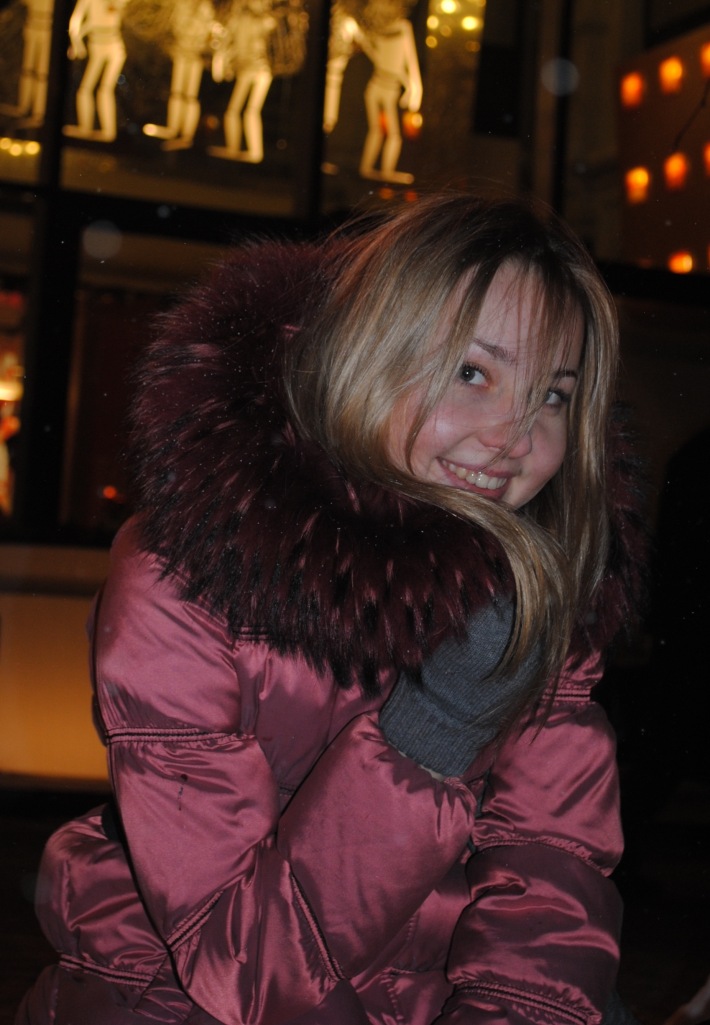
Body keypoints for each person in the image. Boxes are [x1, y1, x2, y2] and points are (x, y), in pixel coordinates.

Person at [16, 193, 645, 1025]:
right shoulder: (187, 577)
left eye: (553, 396)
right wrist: (430, 735)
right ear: (370, 350)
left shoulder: (532, 598)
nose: (513, 436)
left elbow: (550, 884)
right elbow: (240, 961)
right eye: (472, 372)